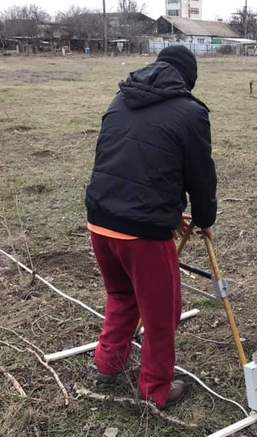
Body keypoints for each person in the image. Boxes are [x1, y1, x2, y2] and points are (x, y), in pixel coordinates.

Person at [85, 45, 217, 410]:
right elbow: (201, 177)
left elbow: (125, 162)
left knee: (122, 295)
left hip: (99, 222)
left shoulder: (119, 100)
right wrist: (205, 217)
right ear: (187, 80)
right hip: (142, 233)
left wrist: (171, 210)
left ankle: (108, 363)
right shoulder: (191, 112)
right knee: (162, 313)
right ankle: (156, 388)